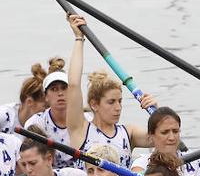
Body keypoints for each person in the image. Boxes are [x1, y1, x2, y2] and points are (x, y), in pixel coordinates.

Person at [64, 14, 156, 167]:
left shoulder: (129, 132)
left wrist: (156, 112)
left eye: (120, 101)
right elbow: (73, 84)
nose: (118, 107)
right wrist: (79, 39)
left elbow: (164, 138)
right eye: (111, 102)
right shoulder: (80, 129)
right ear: (94, 104)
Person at [129, 107, 200, 176]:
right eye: (165, 132)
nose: (172, 138)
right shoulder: (142, 163)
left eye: (175, 131)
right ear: (151, 137)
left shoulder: (197, 158)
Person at [0, 59, 58, 135]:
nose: (48, 110)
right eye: (46, 106)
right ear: (29, 102)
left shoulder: (47, 123)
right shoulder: (2, 116)